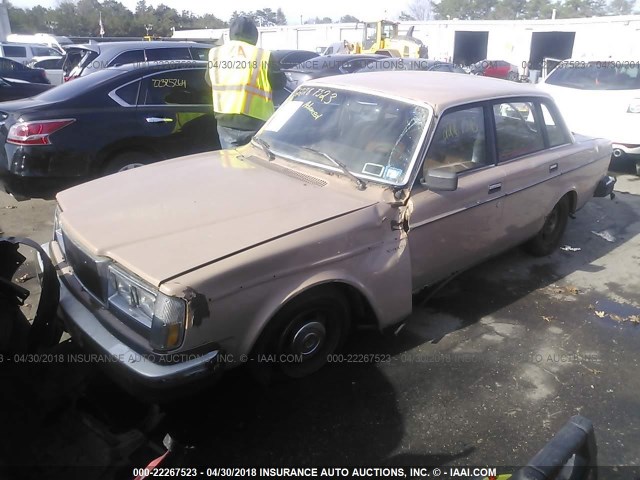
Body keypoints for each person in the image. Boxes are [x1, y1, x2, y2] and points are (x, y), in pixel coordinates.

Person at [206, 16, 285, 149]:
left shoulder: (215, 53)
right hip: (257, 122)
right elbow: (280, 83)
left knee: (233, 165)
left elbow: (209, 81)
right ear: (254, 35)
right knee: (257, 166)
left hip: (225, 122)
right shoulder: (263, 55)